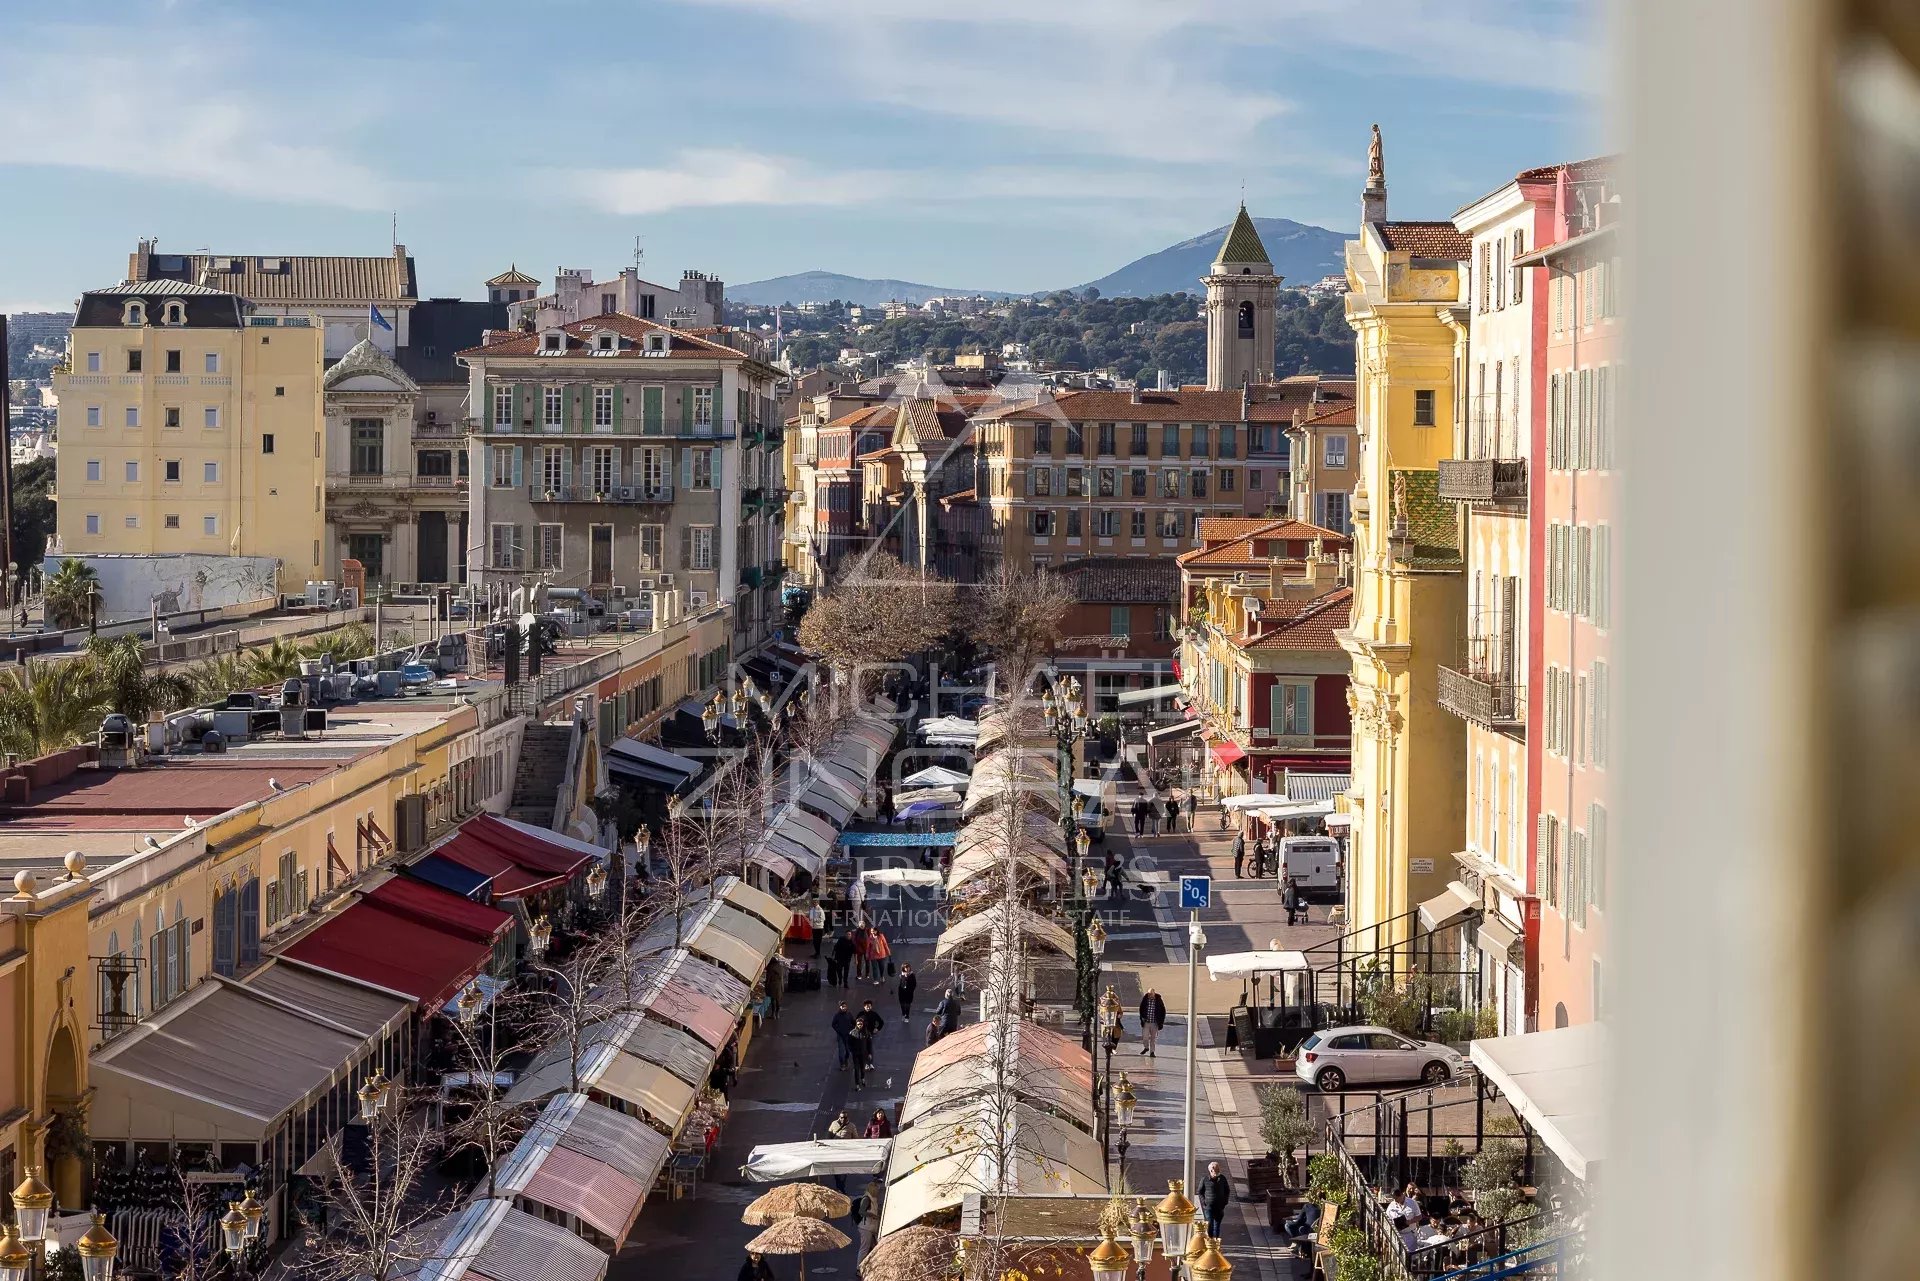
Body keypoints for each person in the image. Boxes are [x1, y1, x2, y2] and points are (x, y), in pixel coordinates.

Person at [1200, 1161, 1232, 1239]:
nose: (1218, 1172)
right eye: (1216, 1171)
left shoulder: (1222, 1179)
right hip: (1209, 1207)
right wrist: (1204, 1202)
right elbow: (1200, 1192)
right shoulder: (1205, 1180)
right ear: (1211, 1171)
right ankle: (1210, 1241)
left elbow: (1227, 1190)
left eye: (1218, 1170)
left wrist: (1225, 1201)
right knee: (1210, 1224)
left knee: (1217, 1226)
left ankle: (1216, 1242)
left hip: (1219, 1207)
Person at [1138, 987, 1166, 1057]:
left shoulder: (1158, 1000)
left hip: (1154, 1023)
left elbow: (1163, 1011)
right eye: (1149, 994)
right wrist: (1142, 1019)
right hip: (1146, 1022)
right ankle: (1146, 1047)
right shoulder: (1145, 1000)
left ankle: (1152, 1052)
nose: (1150, 995)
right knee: (1145, 1037)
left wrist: (1161, 1022)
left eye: (1151, 994)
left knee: (1153, 1038)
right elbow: (1141, 1009)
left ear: (1154, 993)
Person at [830, 1001, 857, 1071]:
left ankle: (846, 1060)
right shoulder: (837, 1015)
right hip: (841, 1036)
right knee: (842, 1051)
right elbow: (833, 1024)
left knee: (848, 1050)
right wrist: (838, 1031)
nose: (844, 1008)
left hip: (848, 1035)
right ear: (840, 1007)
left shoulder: (849, 1014)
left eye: (845, 1006)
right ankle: (842, 1064)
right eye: (842, 1006)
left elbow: (853, 1022)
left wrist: (853, 1028)